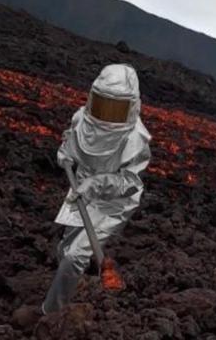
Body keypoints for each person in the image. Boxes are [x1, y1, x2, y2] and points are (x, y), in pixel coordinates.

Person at [42, 63, 151, 314]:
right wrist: (65, 154)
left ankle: (51, 313)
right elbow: (70, 137)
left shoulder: (135, 140)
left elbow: (131, 183)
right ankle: (76, 282)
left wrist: (97, 183)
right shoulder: (82, 118)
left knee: (73, 257)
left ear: (132, 107)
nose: (107, 114)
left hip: (113, 205)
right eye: (103, 104)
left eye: (117, 108)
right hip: (80, 192)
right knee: (64, 250)